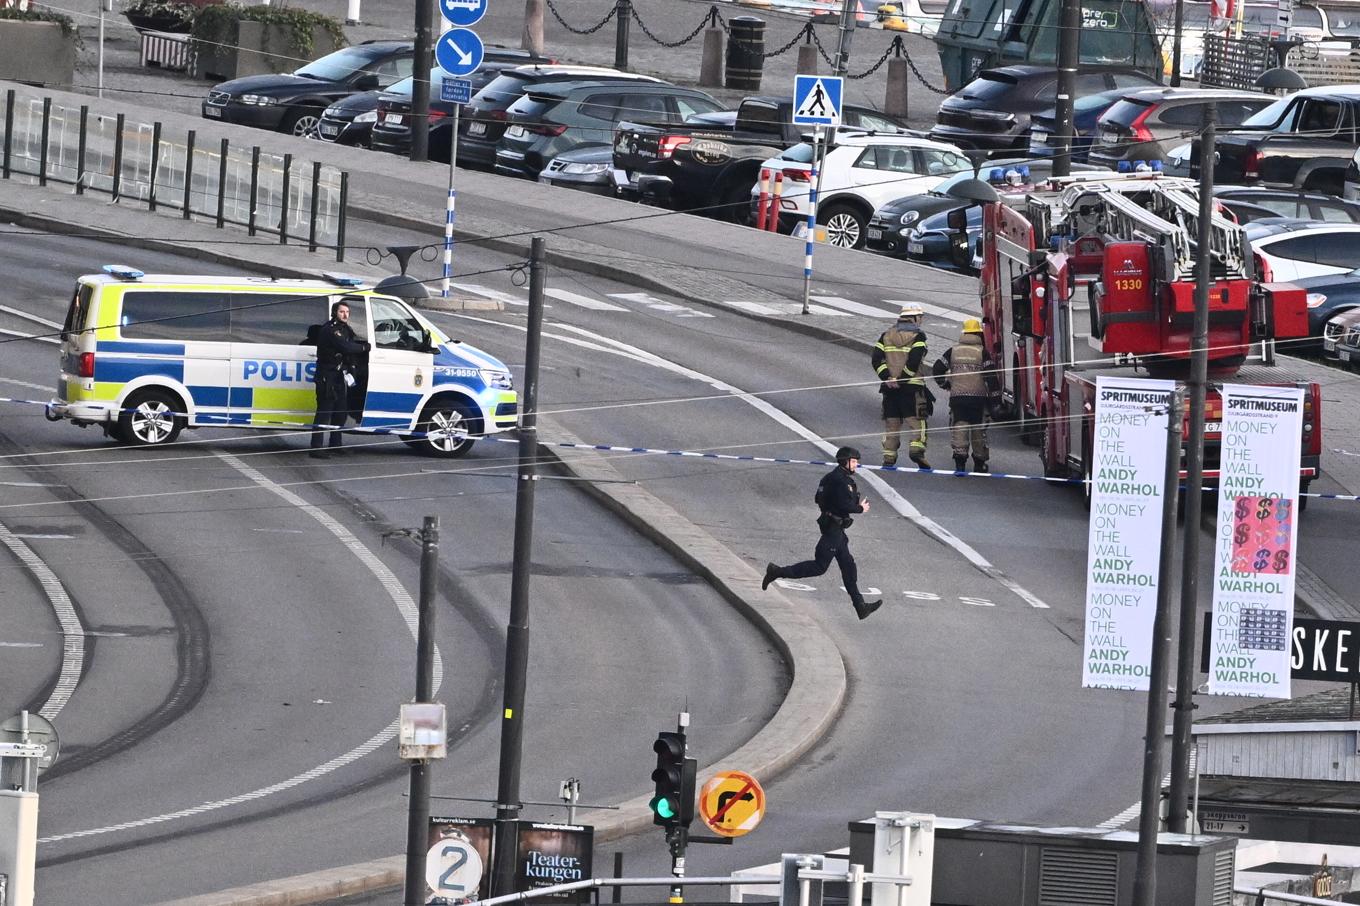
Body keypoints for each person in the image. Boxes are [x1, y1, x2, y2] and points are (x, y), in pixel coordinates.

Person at [761, 446, 883, 621]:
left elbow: (818, 498)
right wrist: (860, 508)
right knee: (819, 566)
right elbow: (844, 505)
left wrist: (831, 508)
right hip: (834, 529)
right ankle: (776, 572)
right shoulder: (841, 481)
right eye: (854, 461)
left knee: (848, 566)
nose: (856, 465)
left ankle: (860, 607)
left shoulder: (829, 478)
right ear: (845, 461)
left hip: (835, 528)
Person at [932, 317, 999, 473]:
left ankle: (960, 463)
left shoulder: (953, 351)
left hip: (958, 399)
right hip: (978, 399)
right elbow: (991, 378)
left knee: (959, 427)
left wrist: (947, 385)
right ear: (979, 334)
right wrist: (996, 401)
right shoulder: (982, 352)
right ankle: (979, 464)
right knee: (978, 431)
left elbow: (937, 370)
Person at [871, 304, 931, 469]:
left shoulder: (886, 335)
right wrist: (901, 379)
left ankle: (889, 458)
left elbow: (876, 360)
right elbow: (914, 361)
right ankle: (916, 449)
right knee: (918, 421)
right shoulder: (918, 337)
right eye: (921, 317)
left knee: (892, 423)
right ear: (915, 318)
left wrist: (888, 378)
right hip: (912, 388)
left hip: (889, 389)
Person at [309, 299, 370, 458]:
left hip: (339, 376)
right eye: (342, 311)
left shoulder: (345, 329)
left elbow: (351, 344)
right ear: (335, 312)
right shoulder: (331, 330)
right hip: (327, 376)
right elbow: (346, 347)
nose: (345, 314)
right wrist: (365, 347)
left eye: (347, 312)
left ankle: (335, 445)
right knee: (324, 412)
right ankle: (315, 448)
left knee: (340, 412)